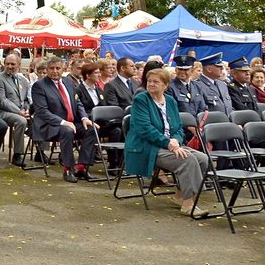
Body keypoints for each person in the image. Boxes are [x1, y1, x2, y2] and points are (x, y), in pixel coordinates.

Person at [123, 68, 209, 218]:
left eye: (156, 82)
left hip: (170, 144)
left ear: (165, 85)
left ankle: (180, 196)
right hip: (147, 146)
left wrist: (175, 140)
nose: (151, 84)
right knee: (187, 159)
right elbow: (145, 129)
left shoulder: (170, 101)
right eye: (149, 81)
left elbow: (177, 127)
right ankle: (188, 205)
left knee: (203, 159)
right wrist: (169, 143)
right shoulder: (141, 100)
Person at [31, 57, 97, 183]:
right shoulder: (39, 86)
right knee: (67, 131)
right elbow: (42, 112)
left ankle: (82, 167)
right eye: (51, 68)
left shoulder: (68, 82)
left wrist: (84, 118)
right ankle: (68, 169)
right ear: (47, 69)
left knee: (91, 129)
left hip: (70, 123)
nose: (55, 71)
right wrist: (63, 122)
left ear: (64, 69)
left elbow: (78, 103)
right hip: (49, 125)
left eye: (58, 68)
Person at [77, 62, 122, 171]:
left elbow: (104, 106)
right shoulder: (78, 90)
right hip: (85, 122)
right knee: (92, 130)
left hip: (100, 123)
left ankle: (114, 164)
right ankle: (83, 166)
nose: (99, 75)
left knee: (116, 130)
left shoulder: (98, 90)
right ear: (88, 75)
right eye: (96, 73)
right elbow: (78, 109)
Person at [0, 52, 31, 166]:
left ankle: (41, 153)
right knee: (21, 121)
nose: (9, 66)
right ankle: (18, 155)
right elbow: (2, 100)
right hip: (2, 111)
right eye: (7, 64)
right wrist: (19, 112)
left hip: (21, 111)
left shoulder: (23, 80)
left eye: (13, 64)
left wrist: (27, 110)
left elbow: (26, 100)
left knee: (40, 119)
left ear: (19, 65)